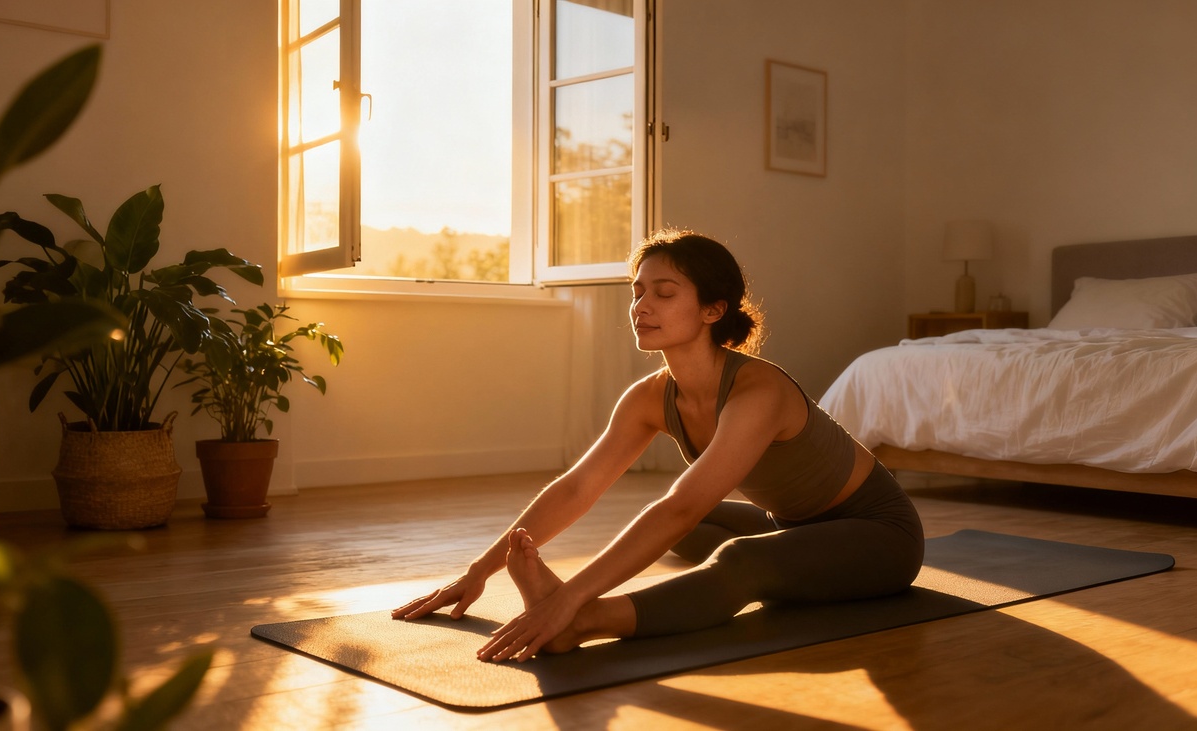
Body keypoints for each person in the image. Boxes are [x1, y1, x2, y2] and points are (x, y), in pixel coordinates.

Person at [391, 229, 924, 663]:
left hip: (881, 535)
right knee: (693, 535)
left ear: (714, 310)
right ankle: (583, 605)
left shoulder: (759, 390)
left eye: (664, 293)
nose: (642, 306)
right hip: (798, 527)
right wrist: (479, 570)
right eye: (638, 291)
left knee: (737, 558)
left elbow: (679, 503)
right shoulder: (649, 398)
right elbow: (579, 485)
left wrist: (573, 595)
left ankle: (581, 623)